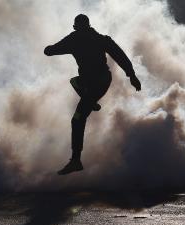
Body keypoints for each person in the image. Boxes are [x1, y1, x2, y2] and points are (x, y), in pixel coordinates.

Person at [44, 14, 141, 175]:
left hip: (98, 83)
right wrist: (131, 75)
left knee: (77, 118)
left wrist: (132, 75)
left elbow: (119, 55)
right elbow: (120, 56)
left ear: (78, 27)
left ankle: (75, 160)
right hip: (93, 83)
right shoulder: (91, 38)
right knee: (74, 82)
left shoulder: (79, 39)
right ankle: (91, 102)